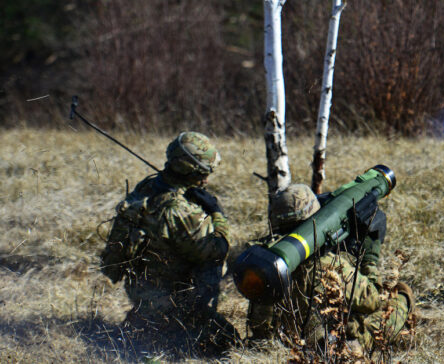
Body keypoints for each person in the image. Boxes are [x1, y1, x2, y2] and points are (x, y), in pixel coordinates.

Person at [100, 131, 239, 353]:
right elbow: (217, 249)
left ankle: (144, 321)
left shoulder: (147, 188)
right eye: (204, 172)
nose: (207, 179)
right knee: (229, 342)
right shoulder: (178, 210)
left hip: (141, 291)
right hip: (174, 302)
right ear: (191, 170)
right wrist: (216, 213)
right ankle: (168, 329)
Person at [246, 184, 414, 355]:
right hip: (329, 349)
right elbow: (373, 300)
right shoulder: (329, 266)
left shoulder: (265, 263)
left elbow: (260, 324)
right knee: (401, 295)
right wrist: (370, 258)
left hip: (283, 343)